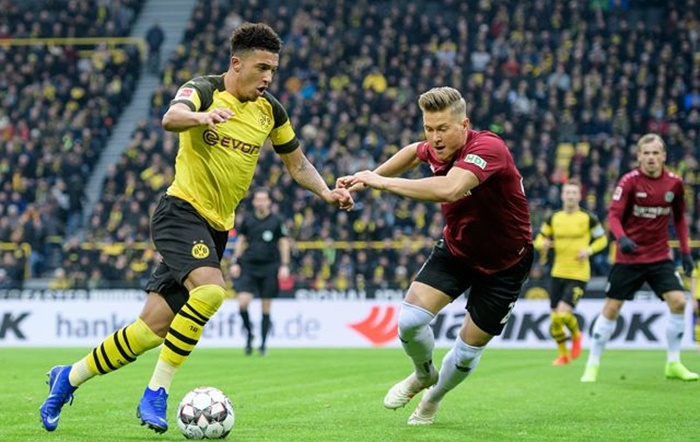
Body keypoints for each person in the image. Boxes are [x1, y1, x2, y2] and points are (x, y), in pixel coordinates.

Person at [39, 22, 354, 434]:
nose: (268, 78)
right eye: (261, 68)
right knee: (210, 291)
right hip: (180, 212)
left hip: (216, 229)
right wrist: (201, 116)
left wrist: (326, 191)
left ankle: (68, 377)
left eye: (273, 70)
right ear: (236, 63)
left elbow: (297, 164)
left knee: (149, 331)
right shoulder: (203, 89)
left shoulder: (271, 110)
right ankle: (156, 392)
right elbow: (171, 117)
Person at [338, 86, 533, 425]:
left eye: (442, 128)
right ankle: (422, 374)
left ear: (464, 124)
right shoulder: (436, 147)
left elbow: (450, 189)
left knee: (467, 353)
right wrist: (370, 178)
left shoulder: (488, 148)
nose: (435, 137)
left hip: (506, 264)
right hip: (458, 250)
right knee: (409, 321)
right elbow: (414, 152)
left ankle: (433, 398)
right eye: (429, 128)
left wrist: (381, 183)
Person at [580, 133, 696, 383]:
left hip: (659, 256)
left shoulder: (675, 183)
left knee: (679, 302)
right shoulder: (629, 181)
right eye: (646, 153)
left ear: (663, 156)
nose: (651, 157)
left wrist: (686, 252)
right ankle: (592, 364)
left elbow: (679, 219)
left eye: (656, 153)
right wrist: (621, 238)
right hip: (629, 258)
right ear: (639, 156)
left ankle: (673, 363)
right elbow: (613, 216)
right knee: (611, 308)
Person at [533, 178, 608, 366]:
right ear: (562, 195)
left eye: (574, 193)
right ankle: (563, 355)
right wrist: (543, 243)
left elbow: (603, 240)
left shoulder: (588, 218)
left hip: (578, 273)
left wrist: (589, 250)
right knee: (555, 320)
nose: (571, 196)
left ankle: (576, 335)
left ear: (579, 196)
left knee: (563, 315)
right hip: (557, 272)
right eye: (568, 192)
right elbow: (539, 239)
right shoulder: (554, 218)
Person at [229, 187, 290, 355]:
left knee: (266, 305)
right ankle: (249, 335)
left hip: (269, 266)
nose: (261, 202)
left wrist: (285, 265)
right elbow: (241, 241)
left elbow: (284, 242)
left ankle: (263, 344)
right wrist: (235, 262)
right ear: (254, 202)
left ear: (269, 202)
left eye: (264, 199)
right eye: (258, 199)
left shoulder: (276, 221)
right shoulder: (248, 220)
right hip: (249, 266)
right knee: (242, 303)